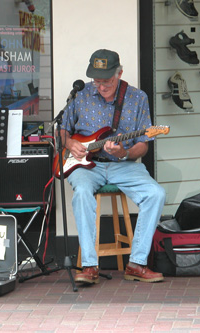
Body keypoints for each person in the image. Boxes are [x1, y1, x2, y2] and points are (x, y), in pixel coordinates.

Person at [60, 49, 166, 284]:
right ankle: (89, 266)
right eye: (96, 81)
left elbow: (143, 145)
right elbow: (62, 129)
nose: (101, 86)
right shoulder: (81, 94)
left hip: (124, 165)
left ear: (119, 73)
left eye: (106, 81)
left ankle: (137, 264)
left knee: (156, 194)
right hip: (88, 166)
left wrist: (125, 152)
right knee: (82, 194)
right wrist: (70, 143)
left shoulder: (138, 98)